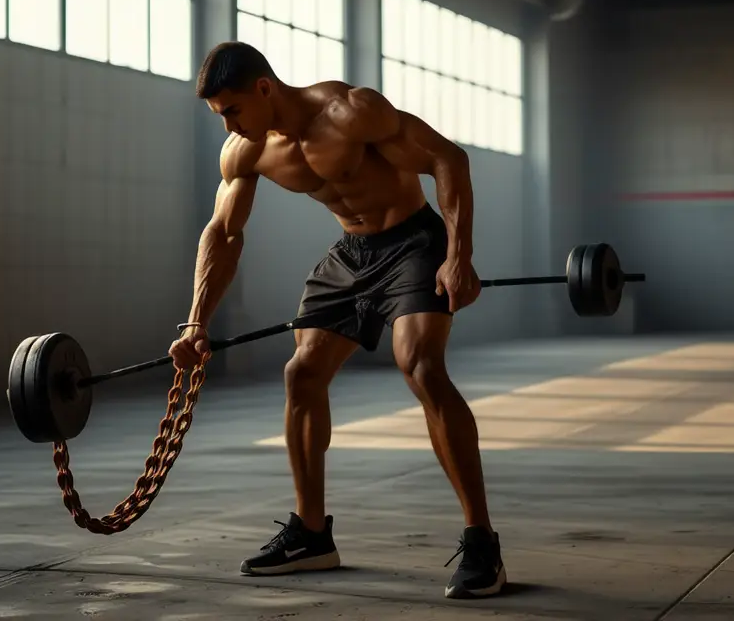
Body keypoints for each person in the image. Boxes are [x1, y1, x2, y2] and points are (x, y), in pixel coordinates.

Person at [169, 41, 505, 600]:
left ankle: (481, 541)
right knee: (301, 374)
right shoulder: (245, 153)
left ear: (263, 88)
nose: (227, 124)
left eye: (231, 110)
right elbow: (223, 234)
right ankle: (311, 534)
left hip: (413, 241)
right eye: (219, 116)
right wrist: (195, 323)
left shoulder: (349, 112)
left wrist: (457, 256)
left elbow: (448, 158)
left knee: (420, 366)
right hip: (351, 253)